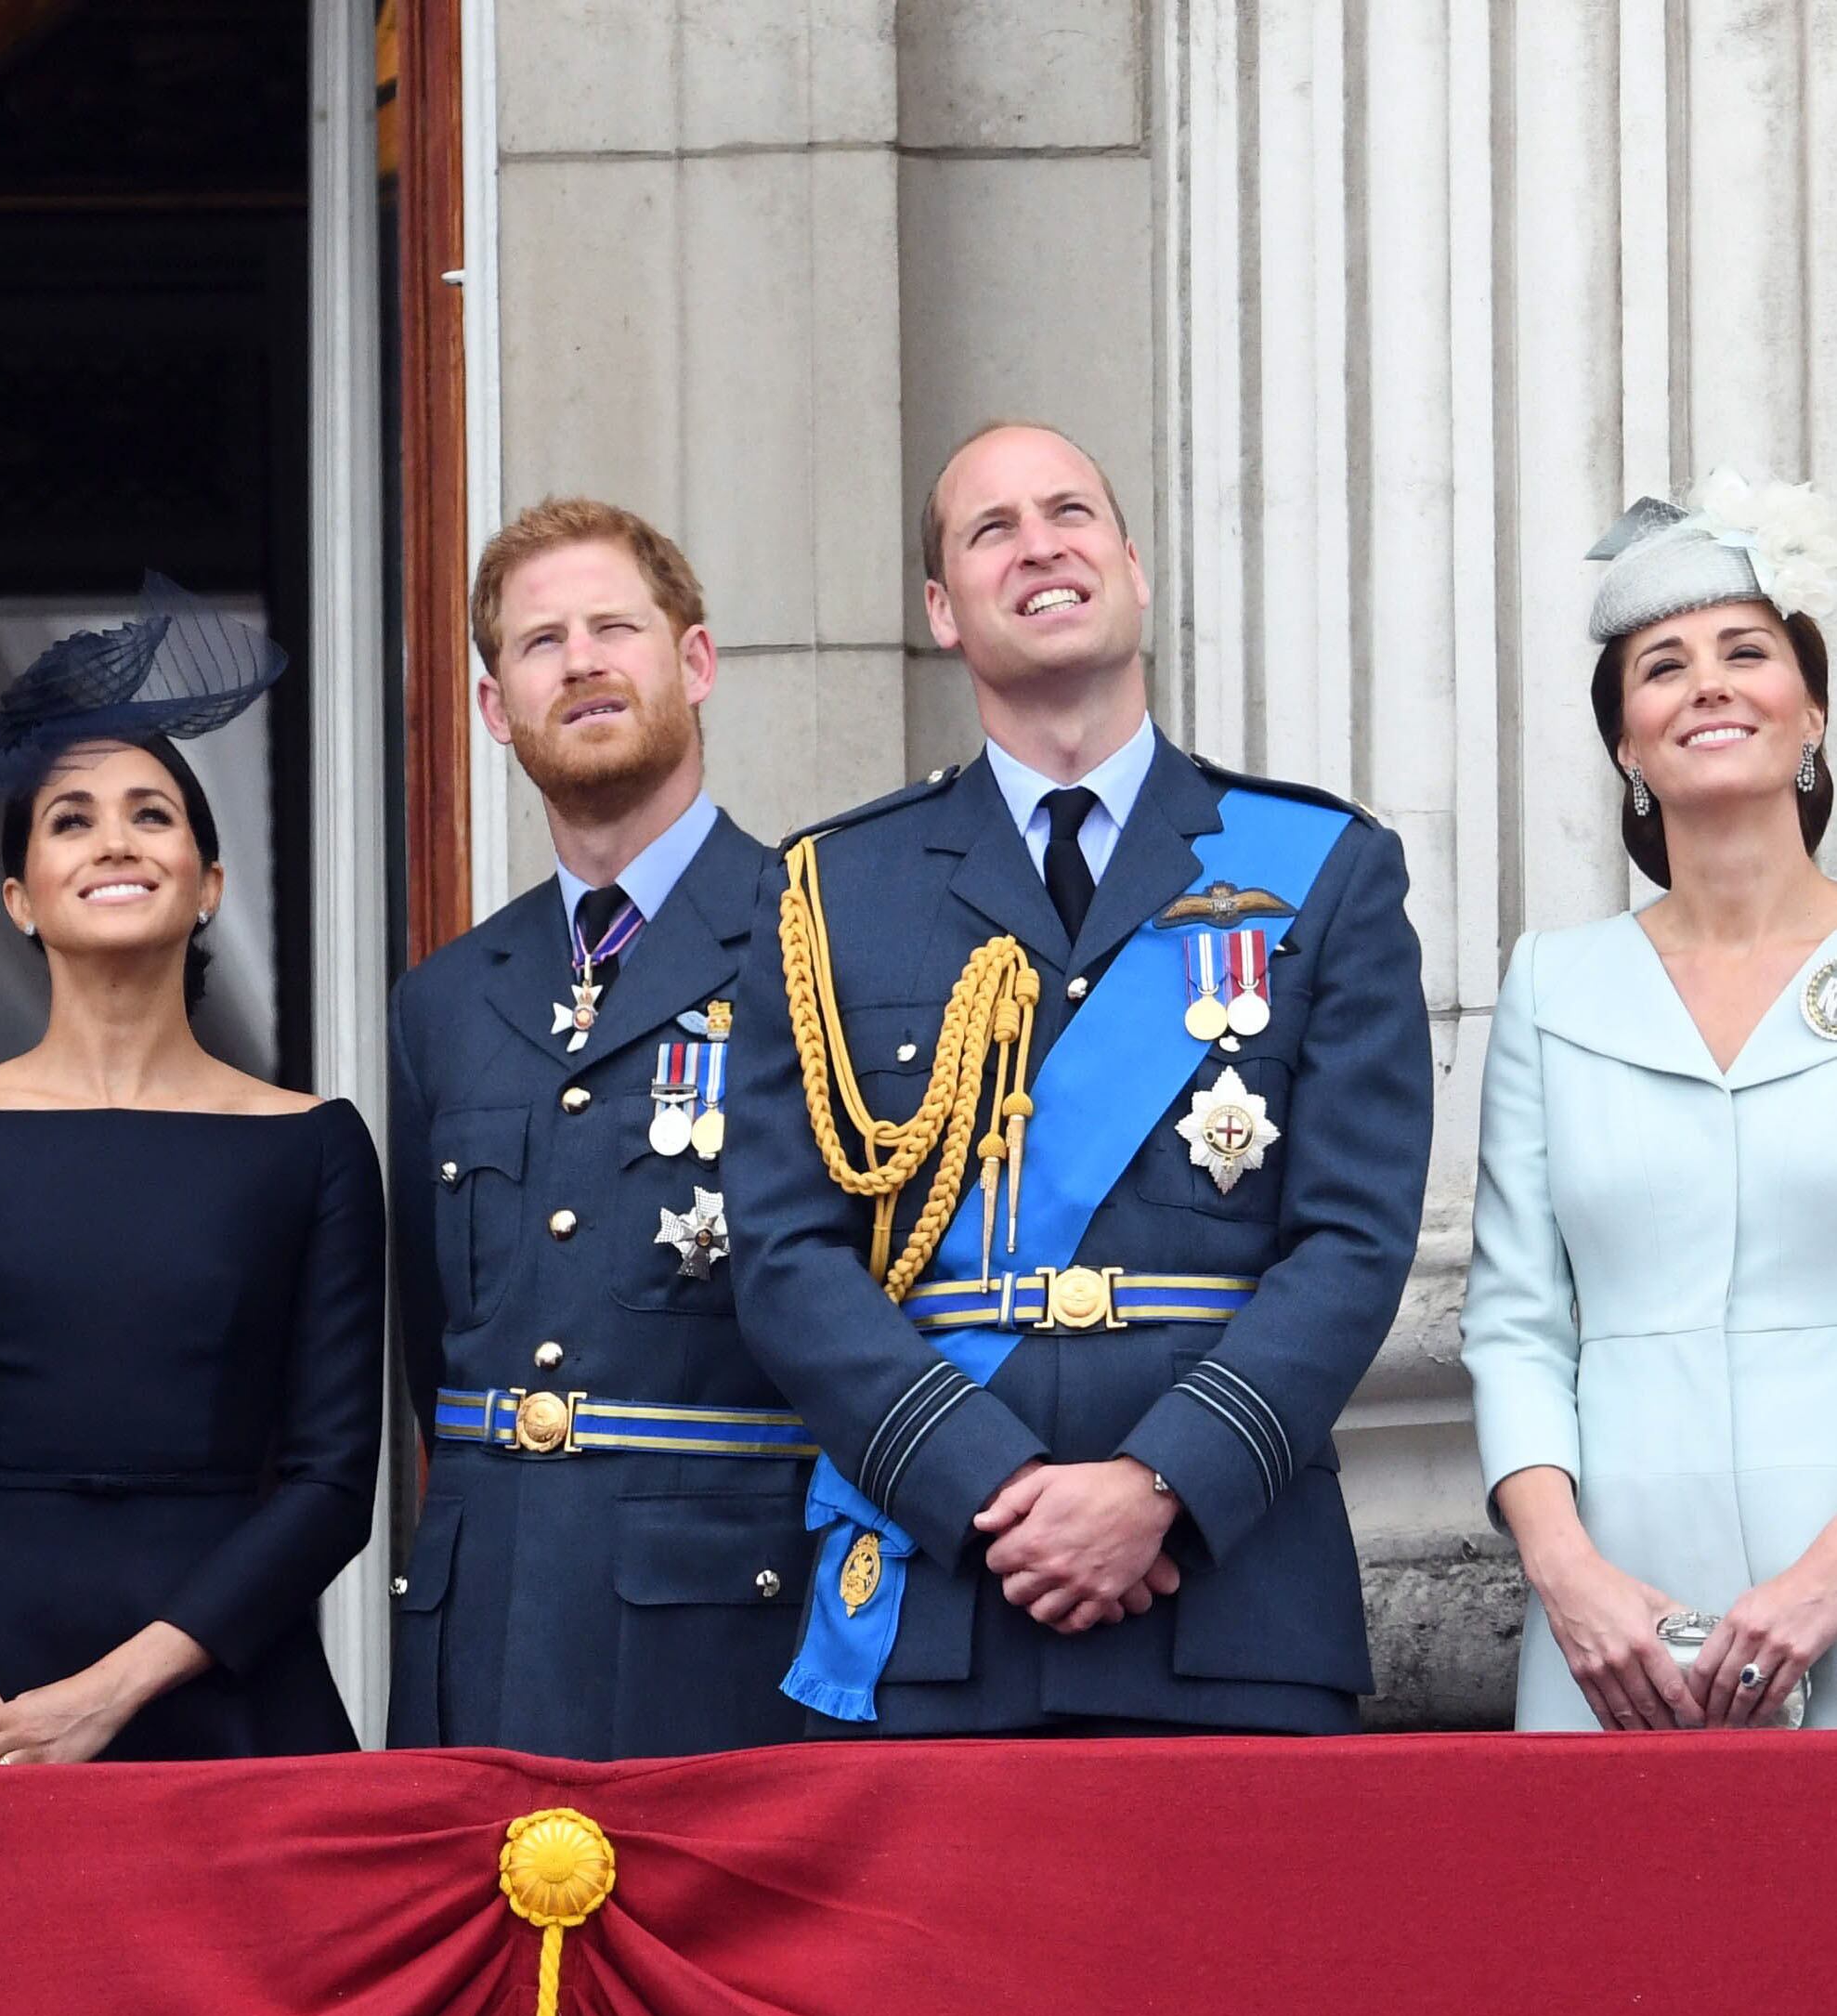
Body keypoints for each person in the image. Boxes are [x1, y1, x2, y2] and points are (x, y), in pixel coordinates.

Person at [726, 421, 1431, 1736]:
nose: (1037, 545)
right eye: (989, 529)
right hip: (944, 1597)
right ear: (941, 609)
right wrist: (986, 1486)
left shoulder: (1321, 867)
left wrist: (1162, 1480)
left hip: (1230, 1599)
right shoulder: (830, 892)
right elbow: (782, 1254)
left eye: (1069, 513)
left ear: (1131, 567)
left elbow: (1351, 1240)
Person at [0, 579, 381, 1763]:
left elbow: (333, 1482)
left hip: (223, 1693)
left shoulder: (315, 1143)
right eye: (70, 818)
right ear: (20, 898)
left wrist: (112, 1693)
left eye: (152, 813)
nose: (117, 838)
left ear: (209, 885)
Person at [385, 501, 818, 1758]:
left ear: (693, 663)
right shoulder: (447, 997)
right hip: (483, 1629)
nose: (578, 661)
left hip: (726, 1636)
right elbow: (437, 1346)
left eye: (612, 628)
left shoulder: (815, 941)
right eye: (539, 642)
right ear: (491, 708)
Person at [1466, 475, 1837, 1734]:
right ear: (1625, 742)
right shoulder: (1549, 987)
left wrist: (1818, 1585)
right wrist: (1566, 1576)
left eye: (1747, 651)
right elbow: (1515, 1321)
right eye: (1661, 666)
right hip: (1610, 1632)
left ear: (1813, 713)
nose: (1708, 684)